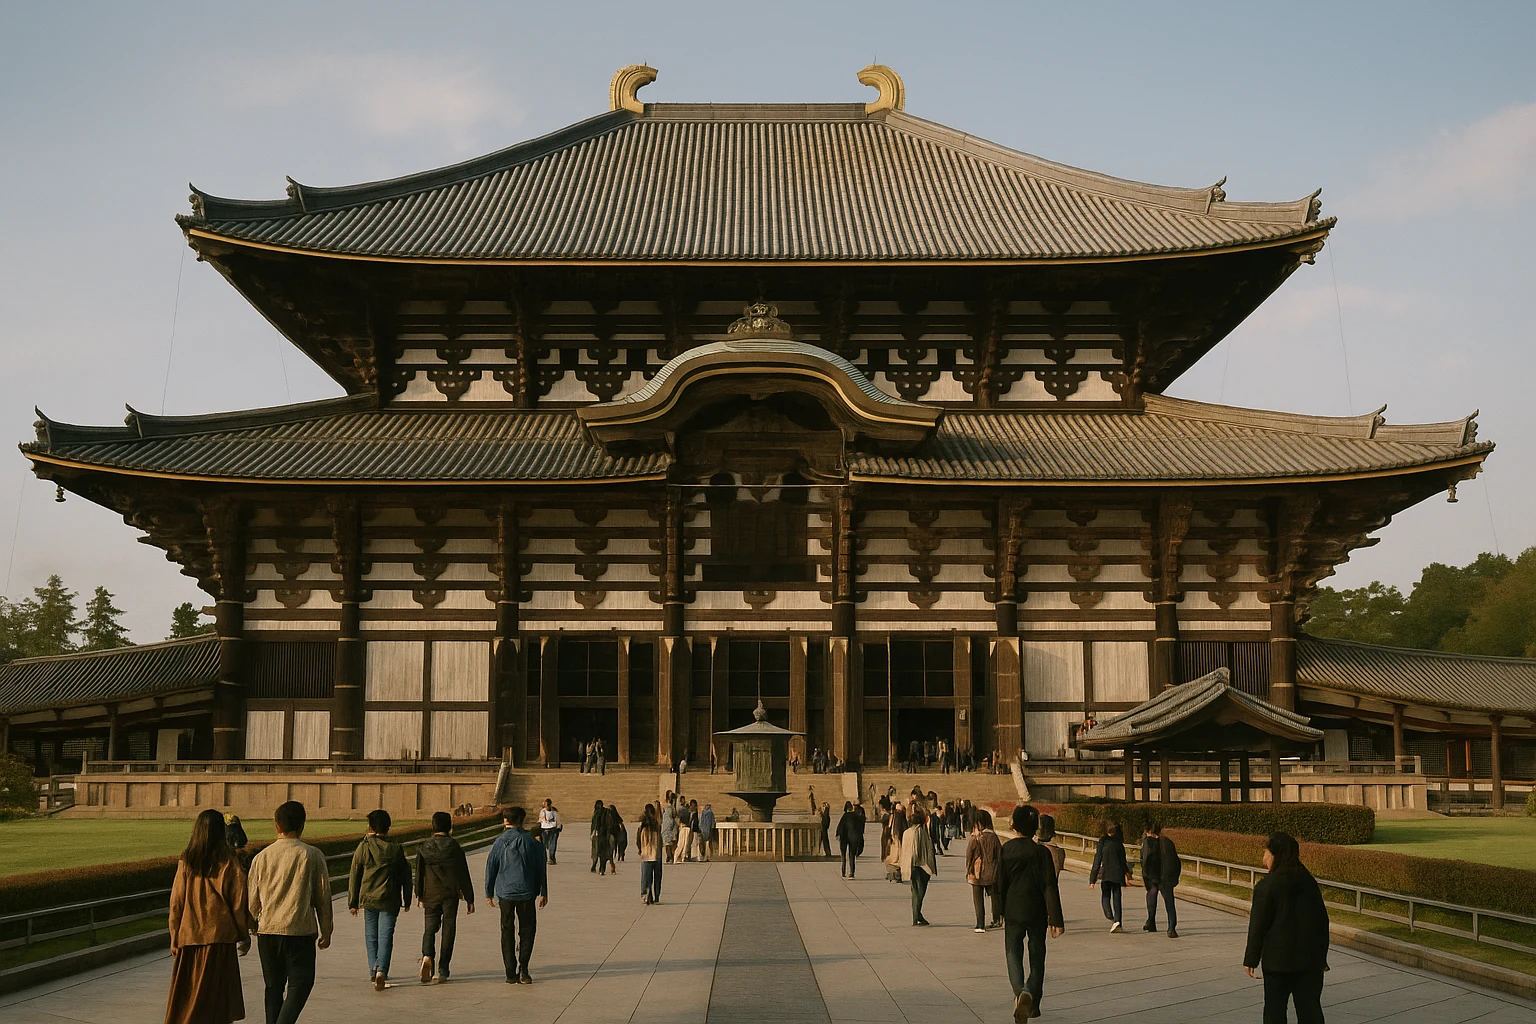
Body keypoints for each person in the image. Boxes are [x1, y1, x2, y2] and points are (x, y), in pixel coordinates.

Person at [249, 800, 332, 1024]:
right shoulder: (312, 855)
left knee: (273, 988)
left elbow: (253, 900)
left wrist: (250, 925)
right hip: (299, 930)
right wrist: (327, 929)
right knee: (301, 984)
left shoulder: (261, 857)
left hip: (268, 930)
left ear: (276, 825)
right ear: (302, 825)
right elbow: (322, 897)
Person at [165, 808, 251, 1024]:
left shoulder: (187, 861)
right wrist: (244, 933)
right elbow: (238, 903)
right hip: (220, 940)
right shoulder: (230, 861)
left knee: (189, 1002)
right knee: (218, 1003)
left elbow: (176, 903)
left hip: (191, 938)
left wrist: (174, 936)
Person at [1244, 832, 1329, 1024]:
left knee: (1275, 1011)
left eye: (1266, 853)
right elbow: (1322, 922)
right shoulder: (1309, 882)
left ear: (1277, 855)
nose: (1263, 858)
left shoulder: (1267, 886)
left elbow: (1258, 925)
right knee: (1310, 1011)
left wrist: (1251, 958)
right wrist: (1321, 957)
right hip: (1309, 963)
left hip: (1278, 963)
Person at [998, 804, 1065, 1022]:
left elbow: (1000, 884)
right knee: (1037, 956)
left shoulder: (1006, 850)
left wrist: (998, 911)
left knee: (1012, 952)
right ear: (1035, 827)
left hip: (1013, 909)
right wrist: (1055, 919)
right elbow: (1049, 886)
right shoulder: (1042, 853)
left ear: (1013, 825)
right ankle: (1031, 998)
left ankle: (1020, 992)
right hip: (1037, 910)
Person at [348, 809, 412, 991]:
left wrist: (353, 902)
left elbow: (355, 875)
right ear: (388, 827)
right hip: (390, 898)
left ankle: (373, 969)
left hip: (368, 898)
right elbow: (405, 875)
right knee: (386, 935)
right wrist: (407, 898)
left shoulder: (364, 847)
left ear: (370, 827)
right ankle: (381, 970)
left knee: (371, 936)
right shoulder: (395, 849)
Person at [485, 806, 549, 985]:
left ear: (505, 821)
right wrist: (544, 892)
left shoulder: (499, 842)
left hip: (505, 893)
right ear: (522, 820)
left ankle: (509, 971)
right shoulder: (532, 842)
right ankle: (524, 968)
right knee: (527, 930)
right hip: (527, 892)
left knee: (507, 930)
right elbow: (540, 868)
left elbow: (491, 867)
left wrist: (488, 892)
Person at [415, 811, 474, 985]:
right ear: (450, 827)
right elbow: (463, 874)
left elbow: (418, 874)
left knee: (430, 928)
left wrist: (419, 894)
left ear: (433, 826)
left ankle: (427, 955)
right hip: (450, 894)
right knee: (448, 930)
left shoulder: (424, 847)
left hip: (430, 893)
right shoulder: (454, 847)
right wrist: (469, 898)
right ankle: (443, 969)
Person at [1088, 820, 1129, 933]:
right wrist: (1127, 873)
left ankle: (1109, 914)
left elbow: (1097, 859)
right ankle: (1118, 921)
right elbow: (1123, 860)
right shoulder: (1119, 843)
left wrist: (1093, 878)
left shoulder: (1103, 842)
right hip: (1117, 873)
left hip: (1106, 873)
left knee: (1105, 895)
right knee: (1117, 897)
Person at [1141, 822, 1181, 938]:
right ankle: (1171, 928)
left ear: (1148, 832)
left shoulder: (1148, 843)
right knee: (1170, 903)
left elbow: (1145, 861)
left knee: (1151, 896)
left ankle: (1151, 922)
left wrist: (1146, 877)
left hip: (1154, 876)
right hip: (1167, 877)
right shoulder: (1168, 842)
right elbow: (1176, 861)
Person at [965, 809, 1002, 932]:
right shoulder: (993, 837)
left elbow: (969, 855)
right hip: (992, 872)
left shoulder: (976, 837)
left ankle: (980, 924)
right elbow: (999, 855)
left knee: (978, 898)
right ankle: (997, 919)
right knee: (994, 896)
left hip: (977, 873)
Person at [900, 805, 937, 926]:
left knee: (915, 891)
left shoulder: (906, 832)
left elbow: (904, 850)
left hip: (911, 865)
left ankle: (917, 915)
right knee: (920, 891)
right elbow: (921, 850)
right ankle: (917, 915)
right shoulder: (920, 832)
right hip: (920, 865)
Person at [637, 803, 664, 904]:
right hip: (657, 855)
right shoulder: (657, 826)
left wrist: (640, 850)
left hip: (646, 855)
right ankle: (656, 896)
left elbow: (638, 841)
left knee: (646, 877)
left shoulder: (642, 827)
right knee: (657, 877)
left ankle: (646, 895)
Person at [836, 801, 862, 878]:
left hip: (844, 838)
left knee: (843, 855)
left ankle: (843, 871)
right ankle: (851, 872)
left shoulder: (845, 816)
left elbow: (840, 826)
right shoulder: (856, 816)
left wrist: (837, 834)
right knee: (851, 856)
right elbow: (860, 828)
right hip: (853, 837)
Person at [589, 799, 613, 875]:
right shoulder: (607, 812)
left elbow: (594, 825)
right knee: (603, 852)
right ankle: (601, 869)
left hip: (598, 835)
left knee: (596, 851)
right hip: (606, 834)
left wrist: (593, 832)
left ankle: (594, 866)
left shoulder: (596, 813)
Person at [538, 799, 561, 864]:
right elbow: (540, 819)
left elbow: (557, 820)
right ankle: (546, 858)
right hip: (545, 829)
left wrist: (558, 827)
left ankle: (551, 858)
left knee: (551, 845)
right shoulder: (543, 811)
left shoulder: (553, 811)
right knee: (545, 845)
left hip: (552, 829)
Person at [661, 794, 679, 863]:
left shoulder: (669, 808)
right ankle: (670, 857)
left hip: (669, 828)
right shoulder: (668, 807)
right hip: (669, 827)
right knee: (669, 844)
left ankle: (670, 857)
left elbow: (672, 815)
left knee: (668, 844)